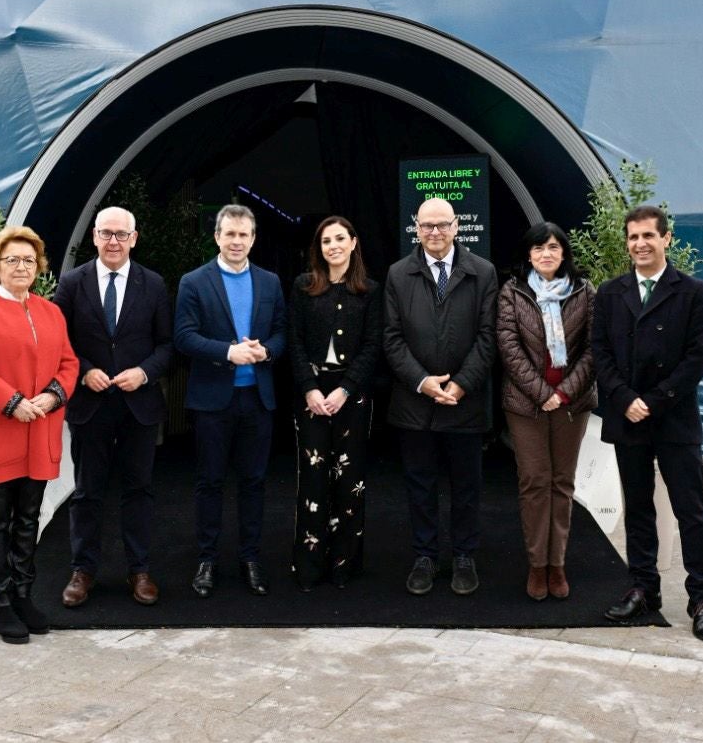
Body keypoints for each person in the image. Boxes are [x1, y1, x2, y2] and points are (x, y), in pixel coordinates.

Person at [589, 204, 703, 642]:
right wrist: (626, 399)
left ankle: (701, 598)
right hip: (629, 418)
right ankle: (644, 590)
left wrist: (655, 400)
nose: (640, 244)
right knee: (639, 510)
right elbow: (600, 354)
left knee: (691, 512)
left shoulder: (694, 292)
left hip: (674, 418)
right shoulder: (610, 293)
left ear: (666, 238)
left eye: (648, 236)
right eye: (633, 238)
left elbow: (696, 359)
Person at [0, 224, 78, 644]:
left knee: (29, 519)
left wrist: (51, 397)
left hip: (40, 430)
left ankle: (24, 595)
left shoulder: (50, 312)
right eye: (12, 260)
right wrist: (12, 402)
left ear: (38, 266)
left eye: (28, 260)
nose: (21, 266)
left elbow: (69, 363)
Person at [52, 206, 174, 609]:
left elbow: (168, 346)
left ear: (134, 239)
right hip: (90, 406)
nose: (114, 242)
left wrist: (145, 372)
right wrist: (84, 371)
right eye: (106, 233)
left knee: (138, 490)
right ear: (94, 236)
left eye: (121, 235)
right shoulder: (71, 283)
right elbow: (59, 343)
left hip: (139, 405)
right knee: (87, 492)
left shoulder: (154, 284)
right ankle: (82, 571)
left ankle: (139, 570)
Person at [382, 196, 498, 596]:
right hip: (415, 405)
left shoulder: (482, 272)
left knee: (467, 486)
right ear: (416, 227)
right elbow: (391, 339)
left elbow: (489, 336)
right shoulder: (398, 275)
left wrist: (460, 384)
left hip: (465, 403)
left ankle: (464, 556)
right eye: (427, 225)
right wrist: (423, 381)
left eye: (442, 225)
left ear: (456, 227)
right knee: (420, 485)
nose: (434, 232)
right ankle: (425, 556)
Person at [175, 204, 287, 597]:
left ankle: (251, 558)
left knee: (254, 482)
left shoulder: (271, 282)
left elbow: (281, 333)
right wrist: (228, 352)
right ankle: (207, 559)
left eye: (244, 235)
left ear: (253, 239)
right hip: (212, 401)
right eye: (230, 234)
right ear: (217, 236)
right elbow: (183, 337)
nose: (237, 241)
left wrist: (266, 352)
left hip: (257, 399)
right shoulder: (193, 281)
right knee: (209, 481)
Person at [497, 221, 597, 601]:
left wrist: (566, 391)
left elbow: (593, 348)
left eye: (553, 247)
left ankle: (558, 564)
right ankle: (537, 565)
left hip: (572, 404)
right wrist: (542, 393)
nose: (546, 255)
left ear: (563, 252)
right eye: (539, 249)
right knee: (535, 481)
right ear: (528, 254)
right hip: (526, 404)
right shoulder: (513, 292)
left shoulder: (584, 292)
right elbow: (508, 346)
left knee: (562, 483)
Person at [288, 215, 382, 591]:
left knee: (350, 481)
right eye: (326, 241)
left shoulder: (370, 291)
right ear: (319, 248)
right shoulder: (303, 286)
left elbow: (374, 346)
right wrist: (310, 388)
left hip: (352, 394)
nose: (334, 246)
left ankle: (345, 565)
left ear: (354, 242)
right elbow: (293, 341)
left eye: (340, 238)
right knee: (312, 479)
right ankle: (310, 567)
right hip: (310, 393)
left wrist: (344, 390)